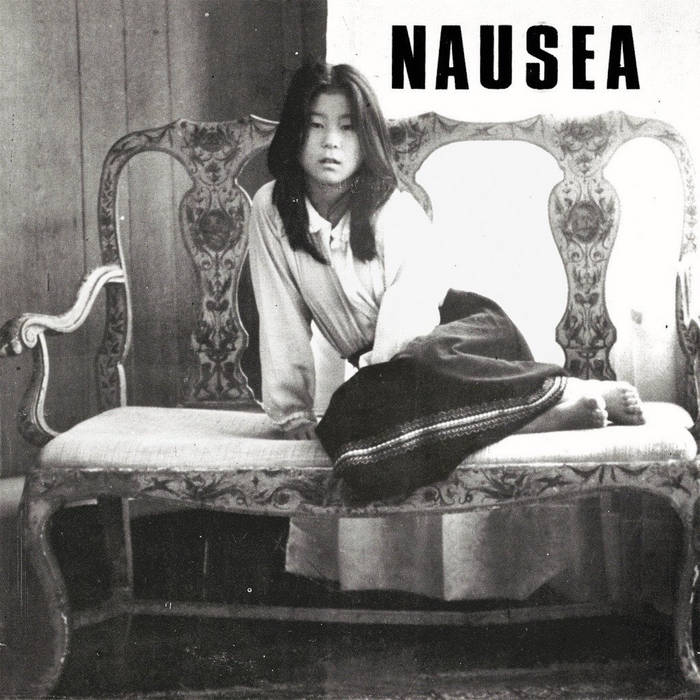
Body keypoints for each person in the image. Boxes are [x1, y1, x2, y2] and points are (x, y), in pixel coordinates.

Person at [248, 61, 649, 602]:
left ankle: (560, 399)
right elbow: (279, 311)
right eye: (315, 126)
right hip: (394, 370)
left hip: (454, 337)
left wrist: (381, 383)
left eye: (347, 128)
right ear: (294, 133)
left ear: (367, 139)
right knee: (348, 428)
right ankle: (530, 416)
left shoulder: (392, 210)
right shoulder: (274, 209)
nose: (331, 143)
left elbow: (410, 321)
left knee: (399, 384)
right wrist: (292, 412)